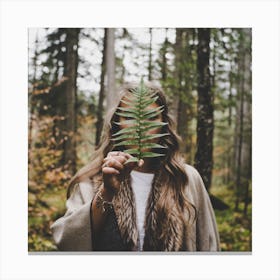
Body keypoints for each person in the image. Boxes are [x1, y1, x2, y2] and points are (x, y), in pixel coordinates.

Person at [51, 82, 220, 252]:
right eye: (131, 117)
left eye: (151, 117)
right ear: (117, 123)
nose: (142, 126)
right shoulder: (92, 179)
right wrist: (106, 192)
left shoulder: (187, 178)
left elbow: (209, 245)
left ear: (164, 124)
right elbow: (67, 242)